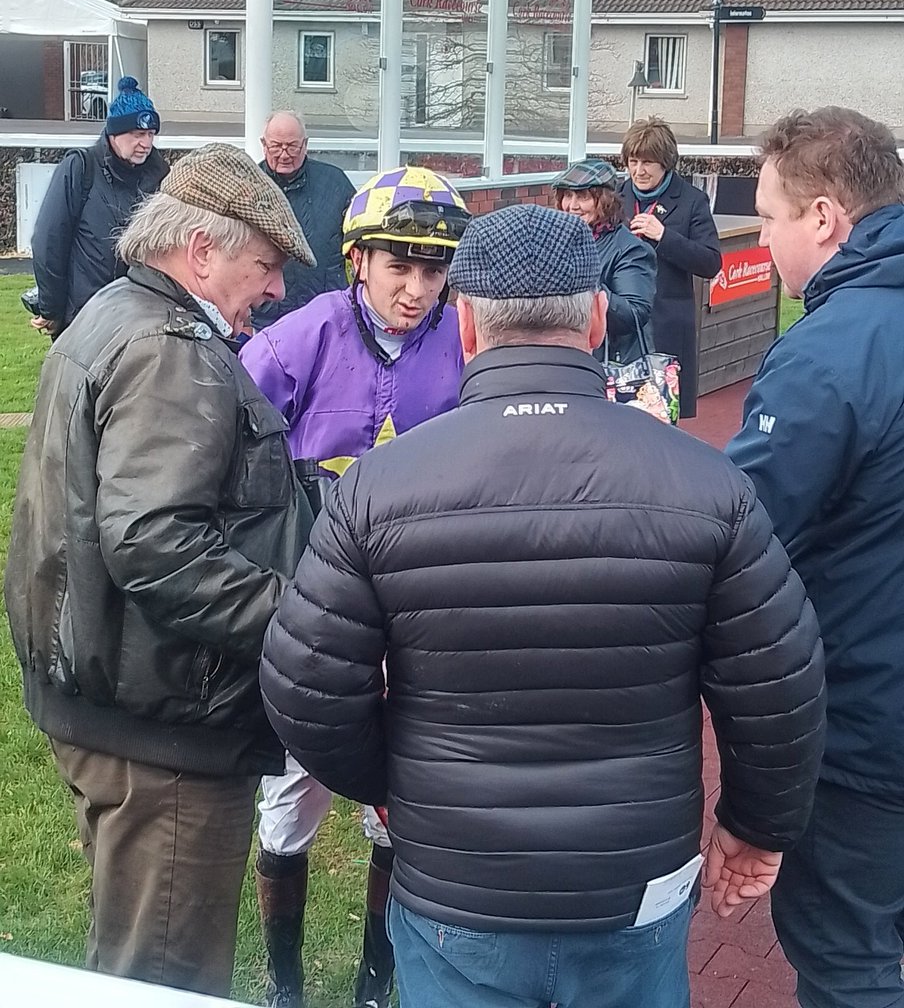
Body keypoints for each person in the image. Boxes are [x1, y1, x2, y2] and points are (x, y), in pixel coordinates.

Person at [260, 202, 826, 1008]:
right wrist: (755, 826)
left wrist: (390, 781)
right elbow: (779, 687)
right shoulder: (705, 484)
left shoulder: (379, 489)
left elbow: (304, 681)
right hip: (634, 882)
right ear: (598, 319)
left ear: (464, 327)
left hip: (457, 881)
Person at [4, 143, 316, 998]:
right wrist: (298, 617)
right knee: (164, 982)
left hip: (120, 708)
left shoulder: (117, 313)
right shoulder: (167, 347)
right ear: (202, 251)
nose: (277, 289)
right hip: (163, 735)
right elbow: (154, 541)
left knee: (132, 966)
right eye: (267, 265)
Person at [242, 165, 470, 1008]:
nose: (414, 290)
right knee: (292, 795)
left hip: (418, 609)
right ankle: (285, 981)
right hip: (318, 608)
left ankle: (378, 979)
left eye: (432, 271)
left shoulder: (461, 339)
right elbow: (233, 441)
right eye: (396, 267)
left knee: (396, 799)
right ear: (357, 263)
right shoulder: (303, 335)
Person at [726, 107, 904, 1008]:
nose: (765, 241)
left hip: (870, 727)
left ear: (826, 218)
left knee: (847, 957)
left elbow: (741, 528)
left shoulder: (831, 352)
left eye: (767, 218)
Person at [30, 76, 169, 337]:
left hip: (141, 317)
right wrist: (51, 310)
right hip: (86, 318)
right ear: (114, 133)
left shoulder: (161, 176)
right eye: (137, 134)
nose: (146, 143)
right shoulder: (81, 168)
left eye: (150, 134)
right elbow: (50, 239)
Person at [619, 116, 721, 417]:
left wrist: (664, 236)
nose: (639, 171)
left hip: (666, 329)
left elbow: (710, 262)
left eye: (648, 162)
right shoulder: (615, 196)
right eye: (633, 161)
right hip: (621, 327)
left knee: (664, 421)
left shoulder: (692, 201)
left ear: (666, 163)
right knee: (621, 420)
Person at [254, 109, 355, 327]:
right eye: (276, 146)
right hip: (265, 316)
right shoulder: (248, 186)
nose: (284, 154)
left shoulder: (335, 183)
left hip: (326, 313)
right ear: (264, 144)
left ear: (305, 144)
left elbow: (359, 242)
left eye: (292, 146)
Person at [553, 158, 655, 362]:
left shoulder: (630, 249)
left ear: (604, 201)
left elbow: (634, 315)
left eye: (582, 197)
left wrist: (586, 281)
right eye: (568, 195)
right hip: (565, 357)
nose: (572, 206)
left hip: (611, 364)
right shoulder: (557, 240)